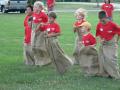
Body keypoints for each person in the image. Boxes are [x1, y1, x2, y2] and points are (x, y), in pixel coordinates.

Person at [96, 11, 120, 79]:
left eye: (103, 20)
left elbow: (119, 32)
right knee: (102, 59)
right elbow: (98, 34)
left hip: (111, 44)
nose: (102, 22)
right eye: (100, 20)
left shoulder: (113, 25)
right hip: (103, 43)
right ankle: (105, 73)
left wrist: (116, 41)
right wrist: (100, 40)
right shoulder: (99, 24)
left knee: (111, 59)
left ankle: (116, 75)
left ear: (106, 18)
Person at [31, 1, 51, 66]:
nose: (33, 8)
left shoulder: (43, 14)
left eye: (35, 7)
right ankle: (37, 61)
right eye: (33, 6)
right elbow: (33, 22)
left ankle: (46, 60)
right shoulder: (33, 14)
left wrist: (43, 24)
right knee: (33, 47)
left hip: (41, 33)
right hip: (34, 32)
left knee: (40, 47)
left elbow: (49, 23)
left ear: (39, 8)